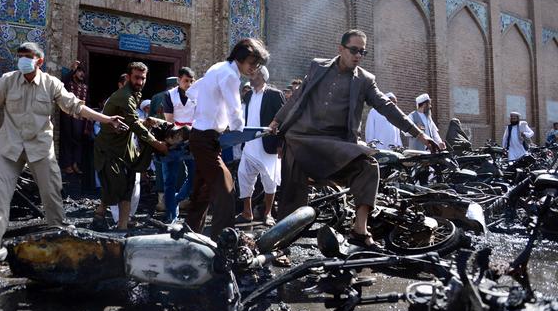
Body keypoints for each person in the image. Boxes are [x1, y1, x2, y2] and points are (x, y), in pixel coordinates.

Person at [0, 42, 127, 262]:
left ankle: (59, 239)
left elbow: (75, 106)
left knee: (52, 195)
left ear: (40, 61)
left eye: (27, 56)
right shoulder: (7, 81)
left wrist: (106, 119)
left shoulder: (51, 84)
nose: (22, 60)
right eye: (20, 56)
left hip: (40, 149)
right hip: (9, 147)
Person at [269, 29, 437, 249]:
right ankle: (280, 247)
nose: (358, 55)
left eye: (363, 52)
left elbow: (387, 107)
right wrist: (276, 121)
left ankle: (360, 229)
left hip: (335, 144)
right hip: (302, 139)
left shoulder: (365, 81)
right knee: (292, 196)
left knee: (368, 165)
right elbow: (297, 98)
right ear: (340, 49)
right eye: (354, 50)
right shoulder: (318, 66)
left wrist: (419, 134)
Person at [185, 38, 270, 239]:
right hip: (206, 138)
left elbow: (191, 91)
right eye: (252, 63)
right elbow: (235, 109)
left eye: (257, 65)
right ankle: (223, 239)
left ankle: (189, 234)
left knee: (203, 190)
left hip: (202, 136)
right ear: (240, 57)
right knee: (226, 189)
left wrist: (207, 111)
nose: (254, 69)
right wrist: (239, 129)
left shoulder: (218, 67)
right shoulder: (231, 75)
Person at [92, 62, 169, 231]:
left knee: (128, 185)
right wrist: (156, 143)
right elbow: (133, 123)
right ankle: (100, 213)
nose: (140, 81)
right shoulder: (125, 96)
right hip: (110, 148)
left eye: (143, 78)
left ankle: (122, 226)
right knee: (117, 185)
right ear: (128, 77)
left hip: (125, 147)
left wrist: (147, 122)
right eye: (136, 77)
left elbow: (129, 119)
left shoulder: (135, 94)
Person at [236, 66, 284, 227]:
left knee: (270, 180)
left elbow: (284, 120)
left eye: (254, 73)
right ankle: (247, 212)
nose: (250, 75)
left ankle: (268, 213)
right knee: (243, 176)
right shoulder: (248, 95)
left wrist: (280, 144)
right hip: (250, 144)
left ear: (263, 76)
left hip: (268, 145)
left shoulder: (274, 95)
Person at [161, 67, 197, 223]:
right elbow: (169, 120)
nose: (188, 84)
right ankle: (171, 215)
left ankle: (177, 199)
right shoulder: (169, 95)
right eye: (185, 81)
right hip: (174, 138)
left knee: (195, 175)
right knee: (170, 178)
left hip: (193, 138)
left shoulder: (197, 96)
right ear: (179, 81)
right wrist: (176, 137)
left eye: (191, 81)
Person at [150, 76, 177, 212]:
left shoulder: (155, 98)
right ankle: (177, 200)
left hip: (158, 138)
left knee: (160, 168)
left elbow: (150, 119)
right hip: (175, 138)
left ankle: (161, 201)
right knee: (178, 168)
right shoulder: (177, 96)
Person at [59, 61, 89, 174]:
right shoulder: (68, 83)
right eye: (80, 71)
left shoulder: (85, 87)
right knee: (66, 140)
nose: (82, 74)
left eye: (83, 72)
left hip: (80, 119)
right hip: (67, 117)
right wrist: (72, 69)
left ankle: (75, 164)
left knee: (78, 141)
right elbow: (62, 82)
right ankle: (67, 165)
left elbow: (88, 103)